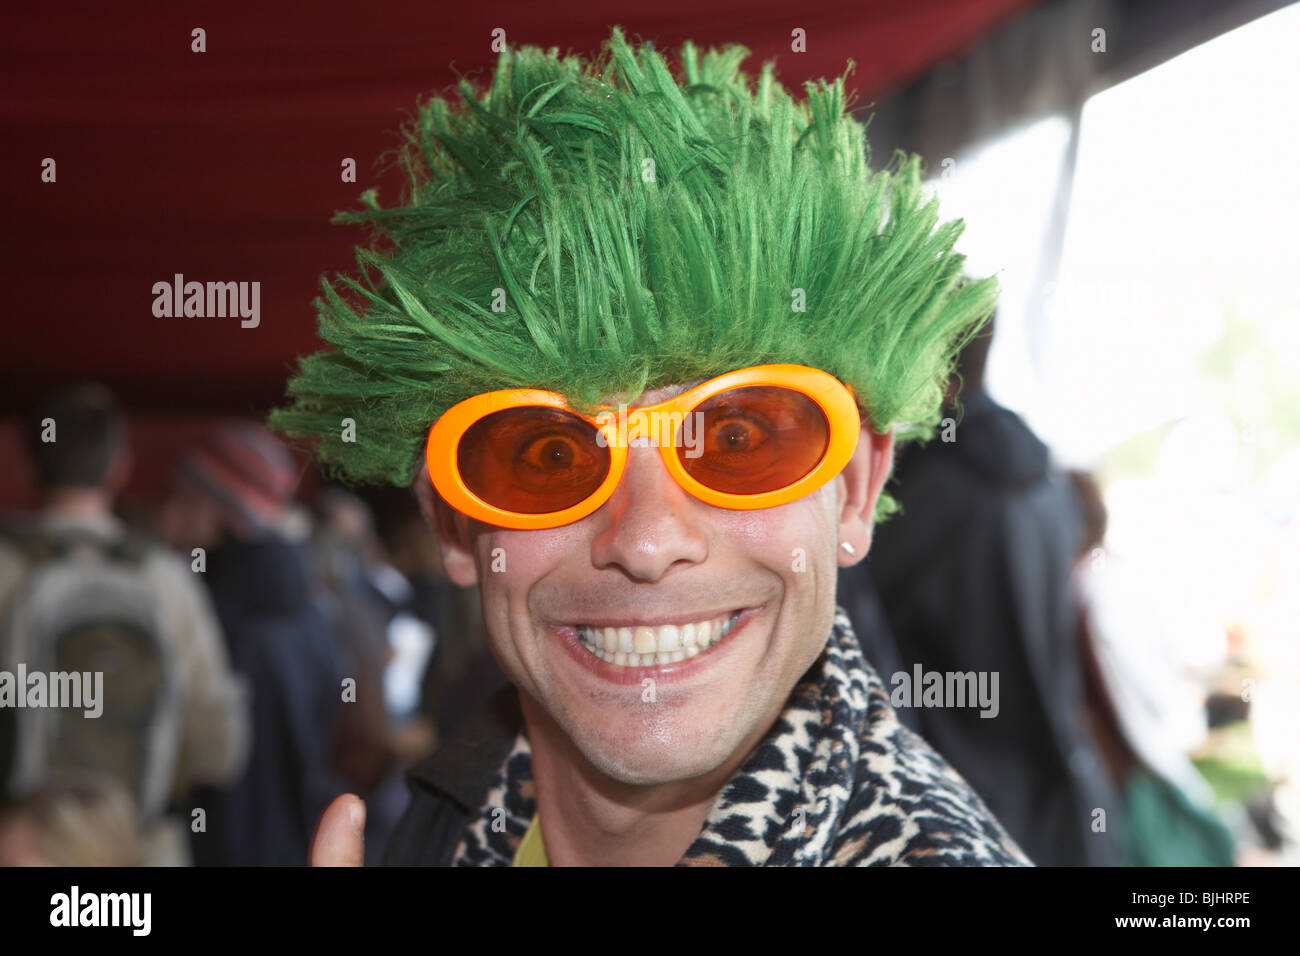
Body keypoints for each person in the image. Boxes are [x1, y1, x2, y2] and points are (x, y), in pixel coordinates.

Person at [276, 27, 1028, 866]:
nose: (644, 539)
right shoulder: (454, 810)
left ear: (853, 490)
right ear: (453, 525)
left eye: (739, 437)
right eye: (549, 456)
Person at [845, 315, 1120, 866]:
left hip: (960, 814)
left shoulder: (913, 494)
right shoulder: (1047, 484)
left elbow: (869, 659)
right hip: (1067, 804)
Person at [0, 384, 250, 865]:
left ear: (29, 465)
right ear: (120, 468)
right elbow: (221, 749)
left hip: (20, 846)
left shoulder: (6, 569)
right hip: (138, 845)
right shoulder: (164, 577)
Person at [169, 423, 349, 866]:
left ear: (221, 511)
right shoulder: (312, 610)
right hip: (294, 846)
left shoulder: (211, 612)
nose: (169, 514)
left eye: (183, 499)